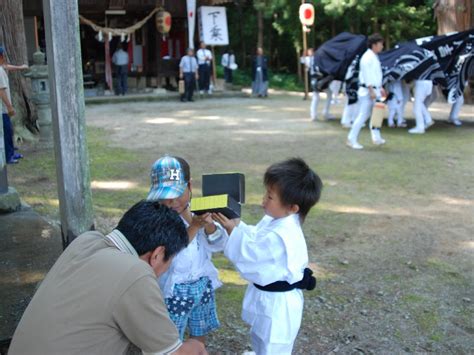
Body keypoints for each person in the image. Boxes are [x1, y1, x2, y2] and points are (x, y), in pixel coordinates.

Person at [9, 201, 207, 355]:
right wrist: (195, 344)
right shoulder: (136, 273)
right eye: (169, 260)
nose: (166, 269)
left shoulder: (85, 242)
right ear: (157, 255)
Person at [213, 158, 322, 355]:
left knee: (273, 345)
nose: (263, 200)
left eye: (270, 197)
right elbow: (256, 238)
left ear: (293, 207)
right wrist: (237, 225)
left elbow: (253, 257)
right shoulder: (277, 220)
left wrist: (232, 231)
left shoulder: (282, 235)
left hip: (278, 306)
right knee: (260, 338)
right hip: (269, 299)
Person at [147, 155, 228, 345]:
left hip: (201, 283)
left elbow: (218, 245)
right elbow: (169, 251)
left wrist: (209, 227)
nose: (171, 202)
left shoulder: (197, 212)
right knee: (170, 335)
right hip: (173, 291)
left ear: (190, 186)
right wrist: (194, 227)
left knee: (200, 328)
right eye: (164, 196)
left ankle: (198, 348)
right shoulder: (156, 220)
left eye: (177, 194)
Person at [347, 33, 386, 149]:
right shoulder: (367, 57)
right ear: (374, 45)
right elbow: (367, 75)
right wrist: (371, 91)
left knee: (377, 113)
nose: (382, 46)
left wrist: (381, 87)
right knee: (363, 115)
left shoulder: (373, 56)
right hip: (368, 90)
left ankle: (376, 137)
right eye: (380, 44)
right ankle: (351, 138)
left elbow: (376, 75)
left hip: (375, 89)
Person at [0, 46, 27, 164]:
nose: (5, 57)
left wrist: (20, 67)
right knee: (6, 131)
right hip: (2, 108)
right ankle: (8, 156)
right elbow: (1, 90)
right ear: (1, 56)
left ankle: (11, 152)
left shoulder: (2, 67)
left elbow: (7, 67)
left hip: (4, 108)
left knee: (9, 130)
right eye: (4, 55)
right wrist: (9, 106)